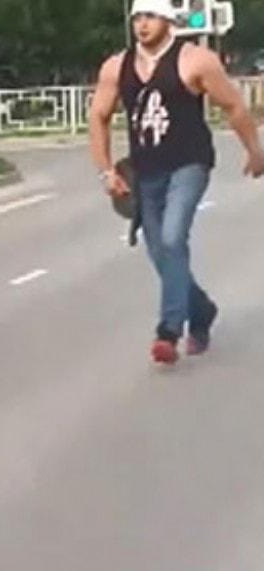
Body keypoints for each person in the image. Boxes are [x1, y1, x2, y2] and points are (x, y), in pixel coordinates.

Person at [89, 0, 264, 364]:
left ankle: (168, 330)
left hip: (190, 163)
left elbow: (232, 106)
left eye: (150, 16)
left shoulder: (195, 61)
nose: (142, 24)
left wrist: (254, 150)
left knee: (172, 237)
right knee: (160, 254)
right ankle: (201, 311)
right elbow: (98, 116)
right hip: (145, 169)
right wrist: (107, 171)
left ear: (168, 21)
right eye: (137, 17)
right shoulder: (116, 67)